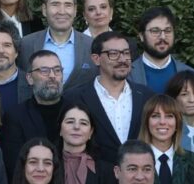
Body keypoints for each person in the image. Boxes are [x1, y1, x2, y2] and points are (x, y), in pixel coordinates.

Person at [63, 30, 150, 165]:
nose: (122, 59)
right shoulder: (74, 98)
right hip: (92, 179)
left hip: (137, 179)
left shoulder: (147, 96)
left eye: (126, 53)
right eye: (113, 54)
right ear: (96, 59)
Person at [18, 0, 91, 86]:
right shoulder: (26, 44)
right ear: (44, 9)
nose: (61, 11)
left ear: (75, 10)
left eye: (68, 5)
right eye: (55, 4)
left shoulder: (91, 45)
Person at [139, 94, 194, 184]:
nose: (162, 122)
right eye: (155, 116)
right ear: (146, 122)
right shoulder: (133, 160)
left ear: (177, 123)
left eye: (169, 116)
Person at [7, 50, 70, 149]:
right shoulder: (16, 116)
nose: (52, 76)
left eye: (57, 70)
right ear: (30, 78)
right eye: (44, 71)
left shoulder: (77, 111)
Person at [128, 8, 194, 97]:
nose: (163, 37)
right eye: (155, 31)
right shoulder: (127, 75)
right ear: (141, 36)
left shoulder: (192, 75)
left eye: (168, 31)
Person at [58, 105, 115, 184]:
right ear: (60, 129)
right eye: (70, 122)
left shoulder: (107, 171)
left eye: (83, 123)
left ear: (91, 132)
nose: (76, 127)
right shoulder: (47, 166)